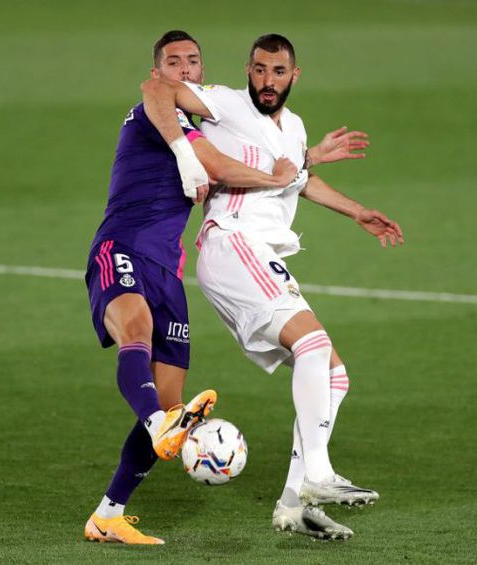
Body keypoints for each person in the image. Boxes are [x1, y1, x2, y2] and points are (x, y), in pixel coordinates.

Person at [141, 33, 404, 540]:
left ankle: (293, 504)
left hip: (258, 253)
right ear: (248, 68)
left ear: (294, 76)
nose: (266, 81)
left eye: (277, 72)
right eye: (259, 70)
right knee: (312, 344)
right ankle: (318, 474)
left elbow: (296, 177)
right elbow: (157, 90)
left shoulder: (295, 127)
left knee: (333, 376)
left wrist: (356, 211)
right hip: (233, 243)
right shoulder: (225, 103)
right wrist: (185, 152)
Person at [82, 30, 301, 545]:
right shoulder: (155, 114)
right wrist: (275, 179)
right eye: (173, 61)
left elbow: (243, 157)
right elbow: (221, 167)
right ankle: (158, 423)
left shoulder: (196, 124)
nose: (184, 68)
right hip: (123, 247)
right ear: (159, 71)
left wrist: (309, 160)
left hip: (169, 270)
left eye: (193, 61)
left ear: (202, 72)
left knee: (172, 400)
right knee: (135, 328)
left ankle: (108, 514)